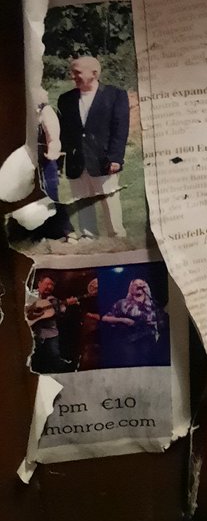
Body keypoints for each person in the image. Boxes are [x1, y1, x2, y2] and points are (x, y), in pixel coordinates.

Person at [57, 56, 129, 240]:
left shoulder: (115, 95)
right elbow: (64, 133)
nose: (73, 76)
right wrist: (59, 159)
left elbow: (120, 129)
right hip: (76, 160)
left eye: (77, 72)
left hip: (103, 159)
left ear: (94, 74)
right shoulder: (65, 99)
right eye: (72, 72)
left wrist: (115, 158)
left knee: (109, 200)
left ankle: (117, 236)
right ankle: (88, 236)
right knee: (82, 200)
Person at [101, 277, 169, 368]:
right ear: (131, 288)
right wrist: (123, 320)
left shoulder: (153, 304)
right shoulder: (122, 303)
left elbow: (161, 321)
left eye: (141, 284)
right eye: (135, 285)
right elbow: (105, 318)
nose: (138, 286)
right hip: (129, 341)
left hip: (148, 341)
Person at [36, 88, 73, 239]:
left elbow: (53, 137)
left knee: (50, 196)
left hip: (44, 161)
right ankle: (39, 234)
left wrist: (51, 153)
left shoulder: (45, 111)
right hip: (26, 164)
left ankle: (66, 231)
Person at [25, 275, 76, 373]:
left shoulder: (54, 300)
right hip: (32, 333)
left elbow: (60, 315)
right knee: (34, 359)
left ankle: (69, 369)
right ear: (39, 283)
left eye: (52, 285)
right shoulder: (29, 296)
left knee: (54, 356)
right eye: (47, 284)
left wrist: (65, 306)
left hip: (50, 333)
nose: (49, 287)